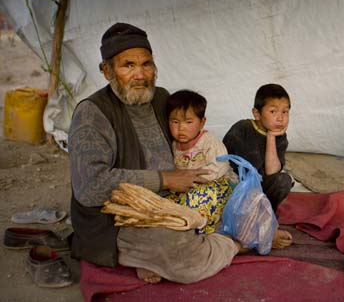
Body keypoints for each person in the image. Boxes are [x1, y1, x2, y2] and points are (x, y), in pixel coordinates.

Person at [68, 23, 240, 284]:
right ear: (107, 71)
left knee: (235, 199)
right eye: (128, 66)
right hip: (121, 217)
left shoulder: (161, 98)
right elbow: (90, 187)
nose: (140, 75)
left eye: (146, 64)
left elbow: (190, 138)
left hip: (174, 200)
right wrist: (165, 179)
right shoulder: (92, 113)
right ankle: (236, 245)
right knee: (179, 249)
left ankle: (165, 253)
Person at [223, 83, 294, 247]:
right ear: (257, 113)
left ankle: (266, 219)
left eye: (285, 111)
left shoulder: (280, 137)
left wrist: (271, 137)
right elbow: (235, 165)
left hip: (260, 190)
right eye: (273, 111)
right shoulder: (242, 128)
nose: (280, 117)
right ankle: (252, 223)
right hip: (236, 188)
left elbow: (271, 172)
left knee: (283, 180)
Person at [165, 90, 236, 234]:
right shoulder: (173, 145)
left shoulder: (209, 140)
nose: (181, 128)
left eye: (189, 122)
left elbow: (219, 166)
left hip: (218, 184)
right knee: (169, 203)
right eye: (175, 122)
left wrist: (194, 181)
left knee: (200, 198)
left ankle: (203, 226)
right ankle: (183, 223)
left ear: (202, 122)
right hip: (189, 186)